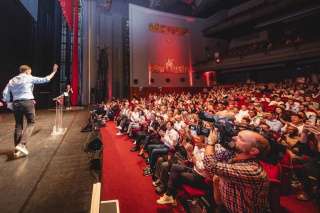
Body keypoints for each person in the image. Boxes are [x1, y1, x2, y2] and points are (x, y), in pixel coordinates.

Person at [203, 130, 271, 213]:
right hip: (227, 207)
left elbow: (210, 164)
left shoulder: (253, 170)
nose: (234, 138)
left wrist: (211, 142)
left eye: (241, 139)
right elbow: (211, 157)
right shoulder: (233, 155)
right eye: (237, 136)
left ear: (253, 151)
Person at [2, 64, 58, 156]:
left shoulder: (12, 80)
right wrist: (54, 71)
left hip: (16, 103)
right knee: (31, 123)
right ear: (27, 71)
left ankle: (17, 150)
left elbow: (5, 92)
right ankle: (22, 144)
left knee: (18, 125)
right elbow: (45, 79)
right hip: (27, 102)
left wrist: (8, 102)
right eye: (30, 72)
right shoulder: (29, 78)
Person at [156, 135, 210, 206]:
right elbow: (190, 159)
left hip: (200, 178)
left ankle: (171, 196)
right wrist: (189, 151)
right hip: (194, 170)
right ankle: (169, 196)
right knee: (174, 167)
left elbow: (200, 167)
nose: (195, 140)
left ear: (203, 143)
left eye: (198, 139)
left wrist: (192, 153)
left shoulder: (205, 153)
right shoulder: (197, 147)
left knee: (177, 175)